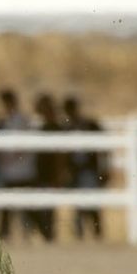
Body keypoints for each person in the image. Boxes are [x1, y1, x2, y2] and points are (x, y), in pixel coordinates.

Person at [63, 95, 106, 240]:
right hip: (76, 170)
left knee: (92, 205)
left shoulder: (89, 125)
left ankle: (97, 234)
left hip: (88, 170)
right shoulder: (68, 127)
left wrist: (103, 168)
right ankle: (80, 235)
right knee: (79, 207)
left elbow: (103, 147)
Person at [0, 88, 36, 240]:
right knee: (10, 205)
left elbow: (22, 145)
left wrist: (10, 157)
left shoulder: (20, 120)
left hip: (22, 170)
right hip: (11, 170)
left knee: (24, 205)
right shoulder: (8, 120)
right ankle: (8, 234)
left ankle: (28, 233)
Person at [31, 93, 66, 242]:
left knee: (48, 208)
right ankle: (45, 234)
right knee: (38, 207)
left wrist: (58, 175)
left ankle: (48, 235)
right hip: (38, 172)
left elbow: (60, 155)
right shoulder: (40, 126)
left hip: (48, 173)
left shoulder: (55, 127)